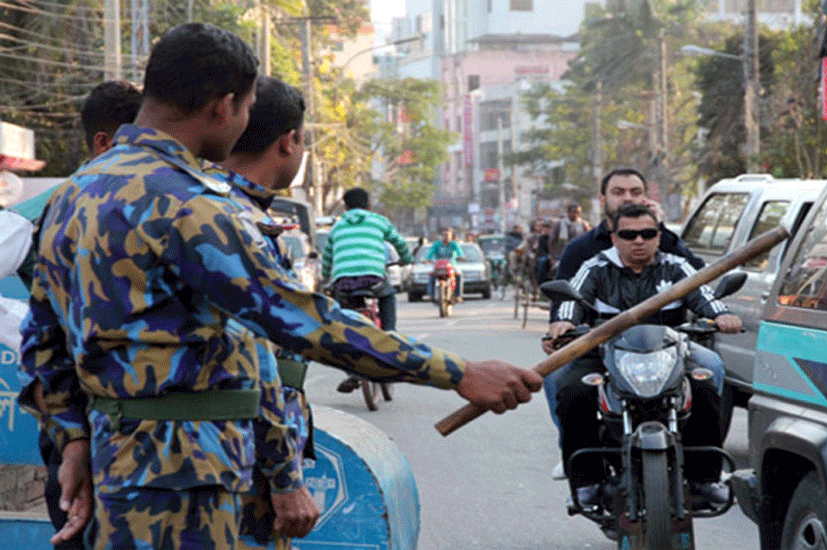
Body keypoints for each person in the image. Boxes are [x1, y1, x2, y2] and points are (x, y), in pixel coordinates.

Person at [18, 23, 541, 550]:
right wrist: (459, 372)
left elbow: (43, 339)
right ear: (223, 108)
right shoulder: (190, 205)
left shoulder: (71, 195)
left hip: (110, 463)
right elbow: (301, 320)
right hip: (187, 479)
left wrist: (73, 439)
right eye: (244, 108)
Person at [6, 80, 142, 550]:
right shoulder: (45, 210)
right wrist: (17, 319)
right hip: (76, 419)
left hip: (137, 428)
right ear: (103, 143)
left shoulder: (158, 200)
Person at [545, 203, 742, 510]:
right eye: (629, 234)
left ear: (659, 236)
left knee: (706, 378)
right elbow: (572, 301)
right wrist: (564, 323)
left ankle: (705, 478)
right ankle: (587, 483)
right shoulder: (595, 267)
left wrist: (723, 316)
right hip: (604, 352)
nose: (638, 241)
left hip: (674, 350)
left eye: (648, 234)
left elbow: (706, 297)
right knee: (572, 389)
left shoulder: (677, 267)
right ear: (614, 238)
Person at [210, 75, 320, 549]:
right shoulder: (236, 222)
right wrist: (284, 477)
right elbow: (257, 360)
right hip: (244, 462)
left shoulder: (220, 206)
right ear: (288, 142)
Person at [542, 167, 704, 479]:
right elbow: (565, 299)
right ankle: (576, 455)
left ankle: (703, 470)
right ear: (603, 200)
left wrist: (664, 232)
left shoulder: (665, 241)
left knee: (711, 373)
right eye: (618, 192)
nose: (639, 241)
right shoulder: (581, 250)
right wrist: (558, 329)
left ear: (646, 198)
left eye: (634, 192)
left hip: (668, 345)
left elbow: (701, 279)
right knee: (559, 379)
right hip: (597, 346)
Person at [323, 186, 414, 394]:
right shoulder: (378, 221)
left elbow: (327, 258)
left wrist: (328, 278)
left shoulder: (337, 228)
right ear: (369, 205)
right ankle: (390, 335)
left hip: (344, 283)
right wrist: (406, 259)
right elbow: (399, 243)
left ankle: (352, 372)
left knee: (343, 323)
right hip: (373, 280)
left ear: (344, 208)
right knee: (388, 296)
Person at [425, 227, 465, 302]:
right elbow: (431, 253)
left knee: (459, 275)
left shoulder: (454, 244)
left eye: (447, 235)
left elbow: (459, 252)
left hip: (451, 264)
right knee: (431, 275)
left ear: (451, 236)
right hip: (438, 264)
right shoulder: (436, 244)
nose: (445, 236)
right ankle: (431, 294)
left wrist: (461, 257)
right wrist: (426, 259)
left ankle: (457, 295)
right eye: (444, 235)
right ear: (441, 236)